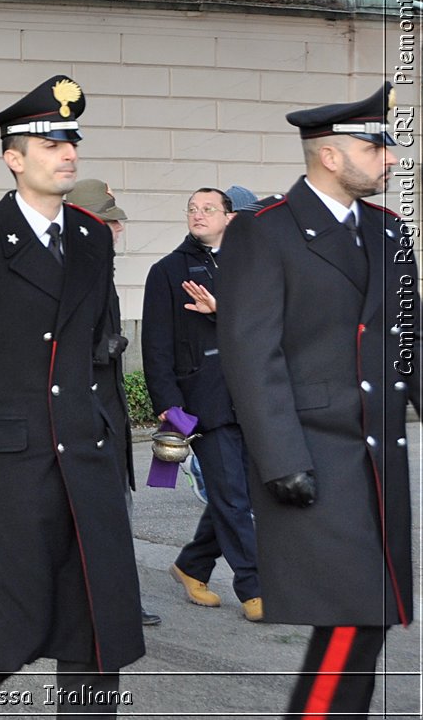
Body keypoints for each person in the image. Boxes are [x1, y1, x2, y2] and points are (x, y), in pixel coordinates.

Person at [0, 74, 142, 717]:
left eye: (71, 140)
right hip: (10, 466)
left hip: (86, 459)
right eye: (50, 143)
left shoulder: (94, 238)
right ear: (14, 158)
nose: (67, 153)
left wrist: (102, 430)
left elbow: (99, 348)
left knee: (95, 639)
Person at [217, 83, 418, 719]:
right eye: (375, 144)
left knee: (370, 617)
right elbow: (253, 353)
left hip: (378, 456)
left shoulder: (389, 232)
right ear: (329, 156)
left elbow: (410, 343)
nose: (390, 158)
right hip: (312, 455)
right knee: (351, 613)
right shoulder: (264, 232)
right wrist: (279, 458)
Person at [142, 187, 261, 622]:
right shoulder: (168, 271)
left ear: (229, 217)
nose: (198, 214)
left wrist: (220, 310)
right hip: (203, 401)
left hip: (251, 397)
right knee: (230, 495)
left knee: (243, 491)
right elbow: (154, 346)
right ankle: (254, 587)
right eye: (192, 209)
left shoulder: (252, 264)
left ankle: (191, 565)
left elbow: (264, 327)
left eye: (208, 208)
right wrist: (168, 405)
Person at [66, 178, 161, 628]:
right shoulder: (71, 269)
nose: (118, 230)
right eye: (111, 222)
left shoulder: (94, 267)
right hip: (87, 416)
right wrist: (99, 349)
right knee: (101, 516)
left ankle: (113, 599)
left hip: (106, 410)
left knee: (111, 513)